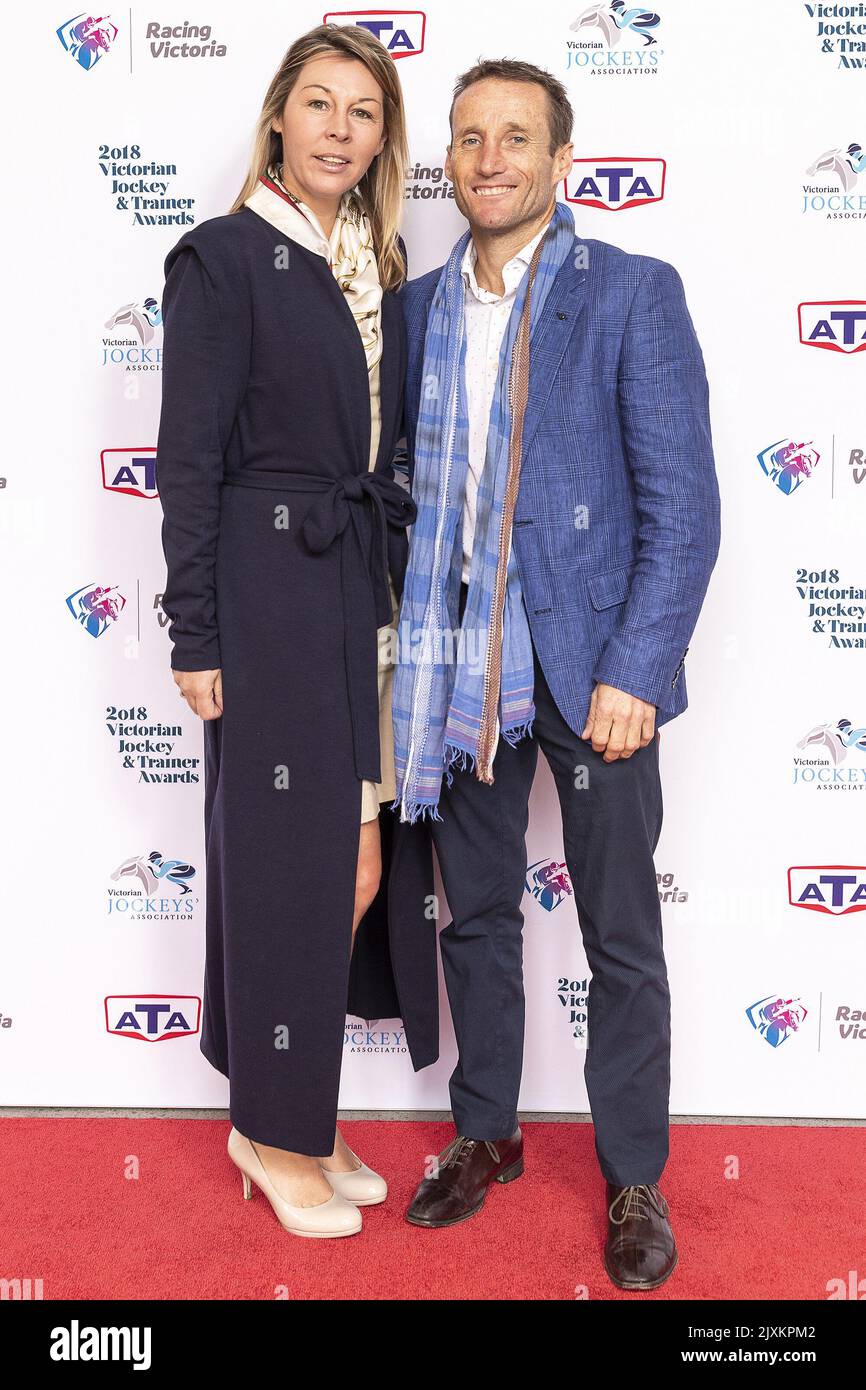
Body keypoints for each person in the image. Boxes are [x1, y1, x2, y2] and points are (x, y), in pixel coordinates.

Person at [392, 58, 720, 1289]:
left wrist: (639, 663)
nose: (487, 159)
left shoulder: (629, 293)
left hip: (590, 663)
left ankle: (633, 1172)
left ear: (557, 161)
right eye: (469, 137)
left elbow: (681, 504)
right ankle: (485, 1133)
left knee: (617, 928)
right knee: (472, 913)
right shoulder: (422, 309)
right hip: (459, 662)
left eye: (514, 137)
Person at [156, 22, 438, 1240]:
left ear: (381, 137)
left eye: (360, 111)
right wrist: (197, 630)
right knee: (286, 862)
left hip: (355, 589)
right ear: (279, 118)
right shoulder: (222, 257)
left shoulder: (372, 254)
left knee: (358, 858)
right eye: (317, 104)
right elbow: (187, 460)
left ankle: (297, 1107)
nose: (338, 128)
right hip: (268, 602)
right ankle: (273, 1136)